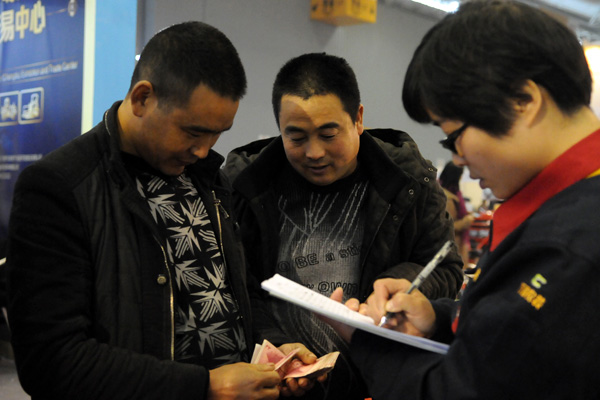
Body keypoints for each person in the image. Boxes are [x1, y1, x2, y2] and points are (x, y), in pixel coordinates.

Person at [6, 21, 320, 400]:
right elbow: (52, 361)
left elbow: (236, 294)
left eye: (217, 134)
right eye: (192, 131)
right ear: (142, 99)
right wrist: (204, 386)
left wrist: (276, 344)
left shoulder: (208, 180)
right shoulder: (60, 188)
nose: (204, 150)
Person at [325, 1, 600, 398]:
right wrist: (440, 318)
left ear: (523, 100)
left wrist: (368, 341)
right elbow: (529, 343)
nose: (457, 157)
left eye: (454, 135)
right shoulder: (565, 211)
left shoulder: (569, 245)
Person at [222, 53, 464, 399]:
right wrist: (275, 344)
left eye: (328, 134)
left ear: (358, 119)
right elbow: (238, 286)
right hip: (281, 384)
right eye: (297, 137)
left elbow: (447, 268)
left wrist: (399, 284)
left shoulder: (409, 182)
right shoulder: (246, 186)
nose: (314, 152)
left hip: (375, 381)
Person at [438, 161, 474, 266]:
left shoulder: (453, 194)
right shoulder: (448, 198)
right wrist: (466, 221)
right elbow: (447, 226)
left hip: (457, 245)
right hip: (453, 247)